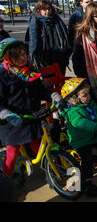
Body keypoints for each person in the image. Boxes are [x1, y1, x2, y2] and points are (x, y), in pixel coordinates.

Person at [0, 38, 63, 178]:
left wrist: (53, 95)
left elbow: (41, 91)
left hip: (31, 117)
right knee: (12, 154)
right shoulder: (3, 74)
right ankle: (5, 182)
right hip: (13, 122)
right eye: (18, 56)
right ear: (8, 58)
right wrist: (5, 114)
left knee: (41, 146)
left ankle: (53, 173)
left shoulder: (30, 70)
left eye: (24, 54)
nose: (23, 58)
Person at [60, 77, 97, 197]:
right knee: (86, 162)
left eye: (88, 93)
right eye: (84, 95)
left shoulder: (89, 104)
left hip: (94, 135)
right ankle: (88, 185)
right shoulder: (72, 112)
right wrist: (96, 127)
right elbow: (80, 122)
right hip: (81, 140)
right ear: (74, 98)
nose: (88, 97)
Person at [26, 0, 71, 75]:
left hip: (59, 55)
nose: (47, 11)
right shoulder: (35, 22)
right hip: (43, 57)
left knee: (60, 79)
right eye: (44, 9)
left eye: (48, 9)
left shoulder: (56, 19)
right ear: (39, 10)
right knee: (48, 81)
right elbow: (31, 40)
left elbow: (65, 36)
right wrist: (32, 57)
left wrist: (66, 54)